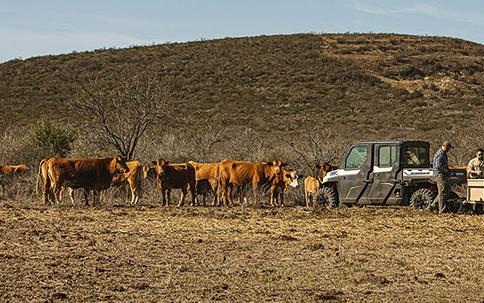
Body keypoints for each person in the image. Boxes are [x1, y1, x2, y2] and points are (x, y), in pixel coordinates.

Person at [428, 141, 453, 214]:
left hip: (442, 174)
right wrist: (447, 171)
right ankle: (442, 210)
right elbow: (439, 166)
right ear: (446, 146)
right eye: (448, 148)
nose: (449, 150)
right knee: (442, 193)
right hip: (440, 175)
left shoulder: (444, 154)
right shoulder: (440, 154)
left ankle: (432, 206)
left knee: (445, 191)